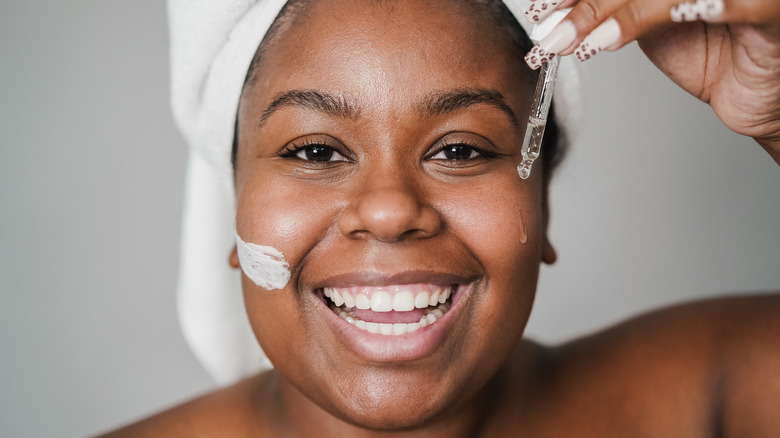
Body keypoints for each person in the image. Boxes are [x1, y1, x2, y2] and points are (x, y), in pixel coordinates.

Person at [102, 0, 779, 436]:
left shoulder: (711, 398)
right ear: (235, 200)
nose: (391, 210)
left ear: (543, 201)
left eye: (460, 149)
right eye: (314, 150)